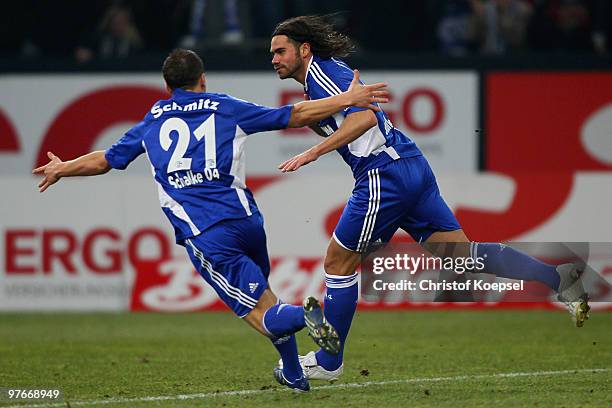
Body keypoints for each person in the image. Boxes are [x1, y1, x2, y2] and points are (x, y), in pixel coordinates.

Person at [33, 48, 389, 392]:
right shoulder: (224, 106)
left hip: (206, 233)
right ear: (202, 79)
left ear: (167, 86)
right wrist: (345, 100)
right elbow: (293, 114)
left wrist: (63, 167)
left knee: (263, 315)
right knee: (266, 300)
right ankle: (294, 373)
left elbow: (105, 160)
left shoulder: (152, 121)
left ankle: (309, 316)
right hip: (247, 221)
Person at [269, 15, 590, 382]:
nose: (274, 59)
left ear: (304, 49)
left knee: (338, 262)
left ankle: (328, 363)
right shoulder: (317, 85)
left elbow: (365, 120)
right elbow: (326, 117)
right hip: (409, 166)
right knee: (459, 255)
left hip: (383, 174)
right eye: (272, 54)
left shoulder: (323, 73)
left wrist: (313, 152)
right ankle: (558, 278)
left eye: (281, 51)